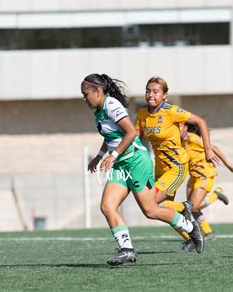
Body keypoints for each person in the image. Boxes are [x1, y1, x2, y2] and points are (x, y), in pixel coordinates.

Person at [81, 73, 204, 266]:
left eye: (86, 94)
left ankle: (190, 227)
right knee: (107, 206)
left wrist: (112, 156)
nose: (84, 98)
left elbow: (130, 133)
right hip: (121, 163)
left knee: (151, 210)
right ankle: (127, 250)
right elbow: (112, 135)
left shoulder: (111, 105)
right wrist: (99, 155)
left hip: (136, 161)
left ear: (98, 91)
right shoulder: (99, 109)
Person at [135, 76, 220, 252]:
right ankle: (191, 237)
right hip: (158, 169)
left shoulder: (171, 110)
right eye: (148, 90)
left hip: (177, 167)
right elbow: (136, 136)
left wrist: (208, 149)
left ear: (165, 95)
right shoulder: (143, 114)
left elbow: (200, 122)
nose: (151, 94)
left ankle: (185, 207)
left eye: (155, 91)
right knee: (160, 210)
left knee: (150, 205)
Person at [181, 123, 233, 240]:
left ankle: (216, 195)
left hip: (205, 174)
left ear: (186, 127)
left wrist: (228, 165)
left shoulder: (191, 137)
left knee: (192, 206)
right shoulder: (179, 140)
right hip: (193, 175)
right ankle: (208, 232)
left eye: (179, 126)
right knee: (192, 208)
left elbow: (213, 147)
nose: (176, 129)